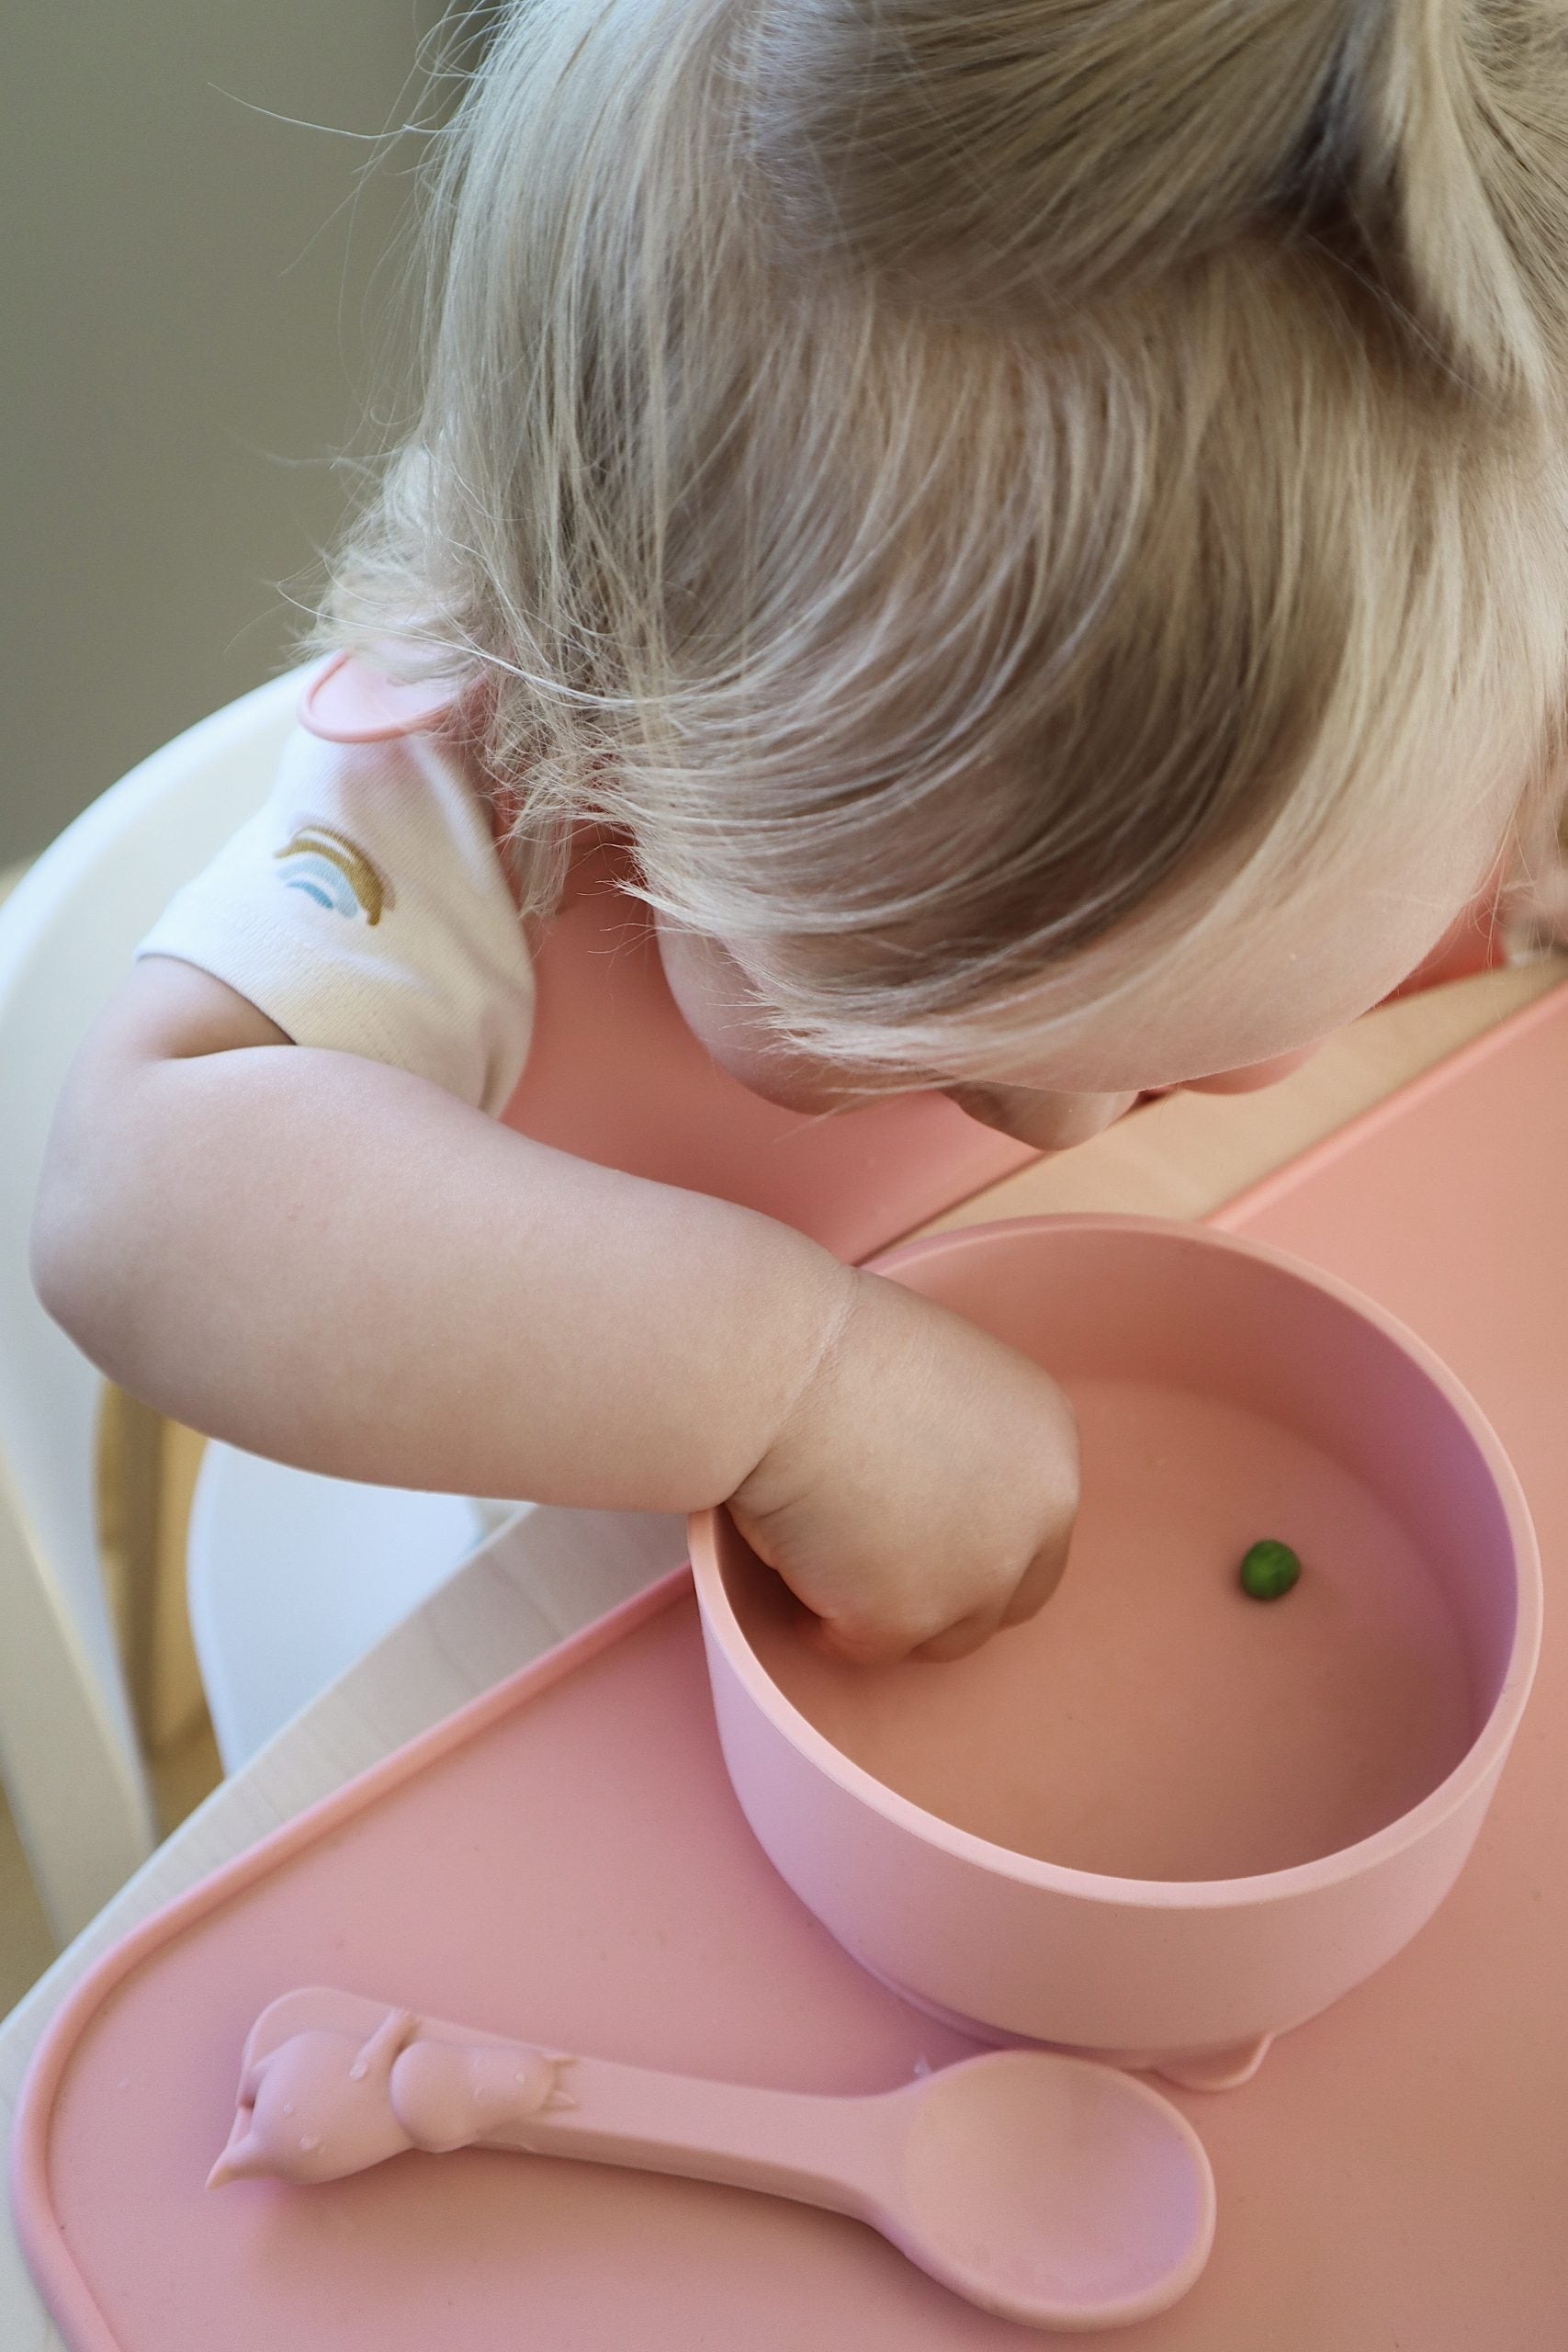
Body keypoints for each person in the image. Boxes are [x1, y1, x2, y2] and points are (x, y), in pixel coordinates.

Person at [30, 0, 1568, 1666]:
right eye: (910, 1035)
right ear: (598, 663)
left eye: (1200, 1047)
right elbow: (130, 1197)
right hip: (605, 1646)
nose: (1061, 1117)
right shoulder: (494, 808)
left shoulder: (1482, 670)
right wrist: (787, 1382)